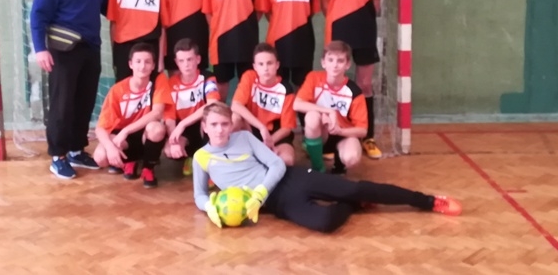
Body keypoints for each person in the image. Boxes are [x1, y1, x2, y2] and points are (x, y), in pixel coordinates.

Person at [192, 102, 462, 233]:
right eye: (214, 125)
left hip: (291, 180)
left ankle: (428, 201)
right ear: (204, 127)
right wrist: (210, 208)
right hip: (279, 205)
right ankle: (354, 205)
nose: (220, 130)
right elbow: (200, 194)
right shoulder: (201, 158)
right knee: (325, 223)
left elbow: (276, 163)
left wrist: (260, 192)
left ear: (231, 124)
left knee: (355, 188)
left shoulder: (244, 137)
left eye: (224, 124)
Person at [30, 0, 109, 179]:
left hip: (90, 49)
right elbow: (38, 14)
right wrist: (40, 49)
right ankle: (58, 156)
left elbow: (110, 9)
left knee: (84, 102)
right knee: (62, 105)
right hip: (62, 51)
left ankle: (76, 150)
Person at [317, 0, 390, 160]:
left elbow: (377, 1)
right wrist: (341, 17)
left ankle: (367, 136)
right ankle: (332, 136)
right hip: (338, 30)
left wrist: (362, 18)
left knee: (365, 85)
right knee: (335, 84)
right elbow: (325, 2)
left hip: (365, 30)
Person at [93, 43, 171, 188]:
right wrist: (110, 147)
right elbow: (100, 128)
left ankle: (148, 168)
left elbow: (157, 113)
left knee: (157, 129)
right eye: (138, 61)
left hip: (144, 133)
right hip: (125, 139)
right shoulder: (117, 90)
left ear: (153, 65)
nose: (142, 66)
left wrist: (126, 131)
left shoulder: (159, 80)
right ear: (130, 64)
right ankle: (129, 161)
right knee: (100, 157)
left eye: (147, 62)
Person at [293, 41, 366, 175]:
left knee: (351, 157)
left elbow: (362, 130)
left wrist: (340, 131)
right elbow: (297, 104)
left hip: (343, 134)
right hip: (322, 133)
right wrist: (328, 112)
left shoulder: (354, 91)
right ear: (323, 62)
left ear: (348, 64)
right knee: (312, 117)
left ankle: (339, 165)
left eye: (340, 61)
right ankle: (318, 168)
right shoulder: (314, 78)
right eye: (330, 60)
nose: (335, 65)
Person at [231, 43, 297, 166]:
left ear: (277, 65)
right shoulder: (249, 76)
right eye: (261, 64)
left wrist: (267, 143)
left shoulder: (286, 89)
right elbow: (236, 105)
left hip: (275, 134)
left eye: (269, 63)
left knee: (287, 160)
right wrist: (262, 128)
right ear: (255, 67)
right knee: (235, 117)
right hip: (252, 129)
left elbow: (286, 128)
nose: (265, 68)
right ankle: (229, 154)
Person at [164, 38, 221, 176]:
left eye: (190, 59)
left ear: (198, 59)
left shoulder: (208, 77)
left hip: (201, 124)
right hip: (184, 130)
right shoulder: (171, 84)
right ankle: (192, 157)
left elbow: (212, 103)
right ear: (176, 62)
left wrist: (182, 124)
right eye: (181, 61)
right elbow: (169, 118)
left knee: (212, 120)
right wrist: (174, 140)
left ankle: (211, 166)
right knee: (169, 150)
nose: (186, 64)